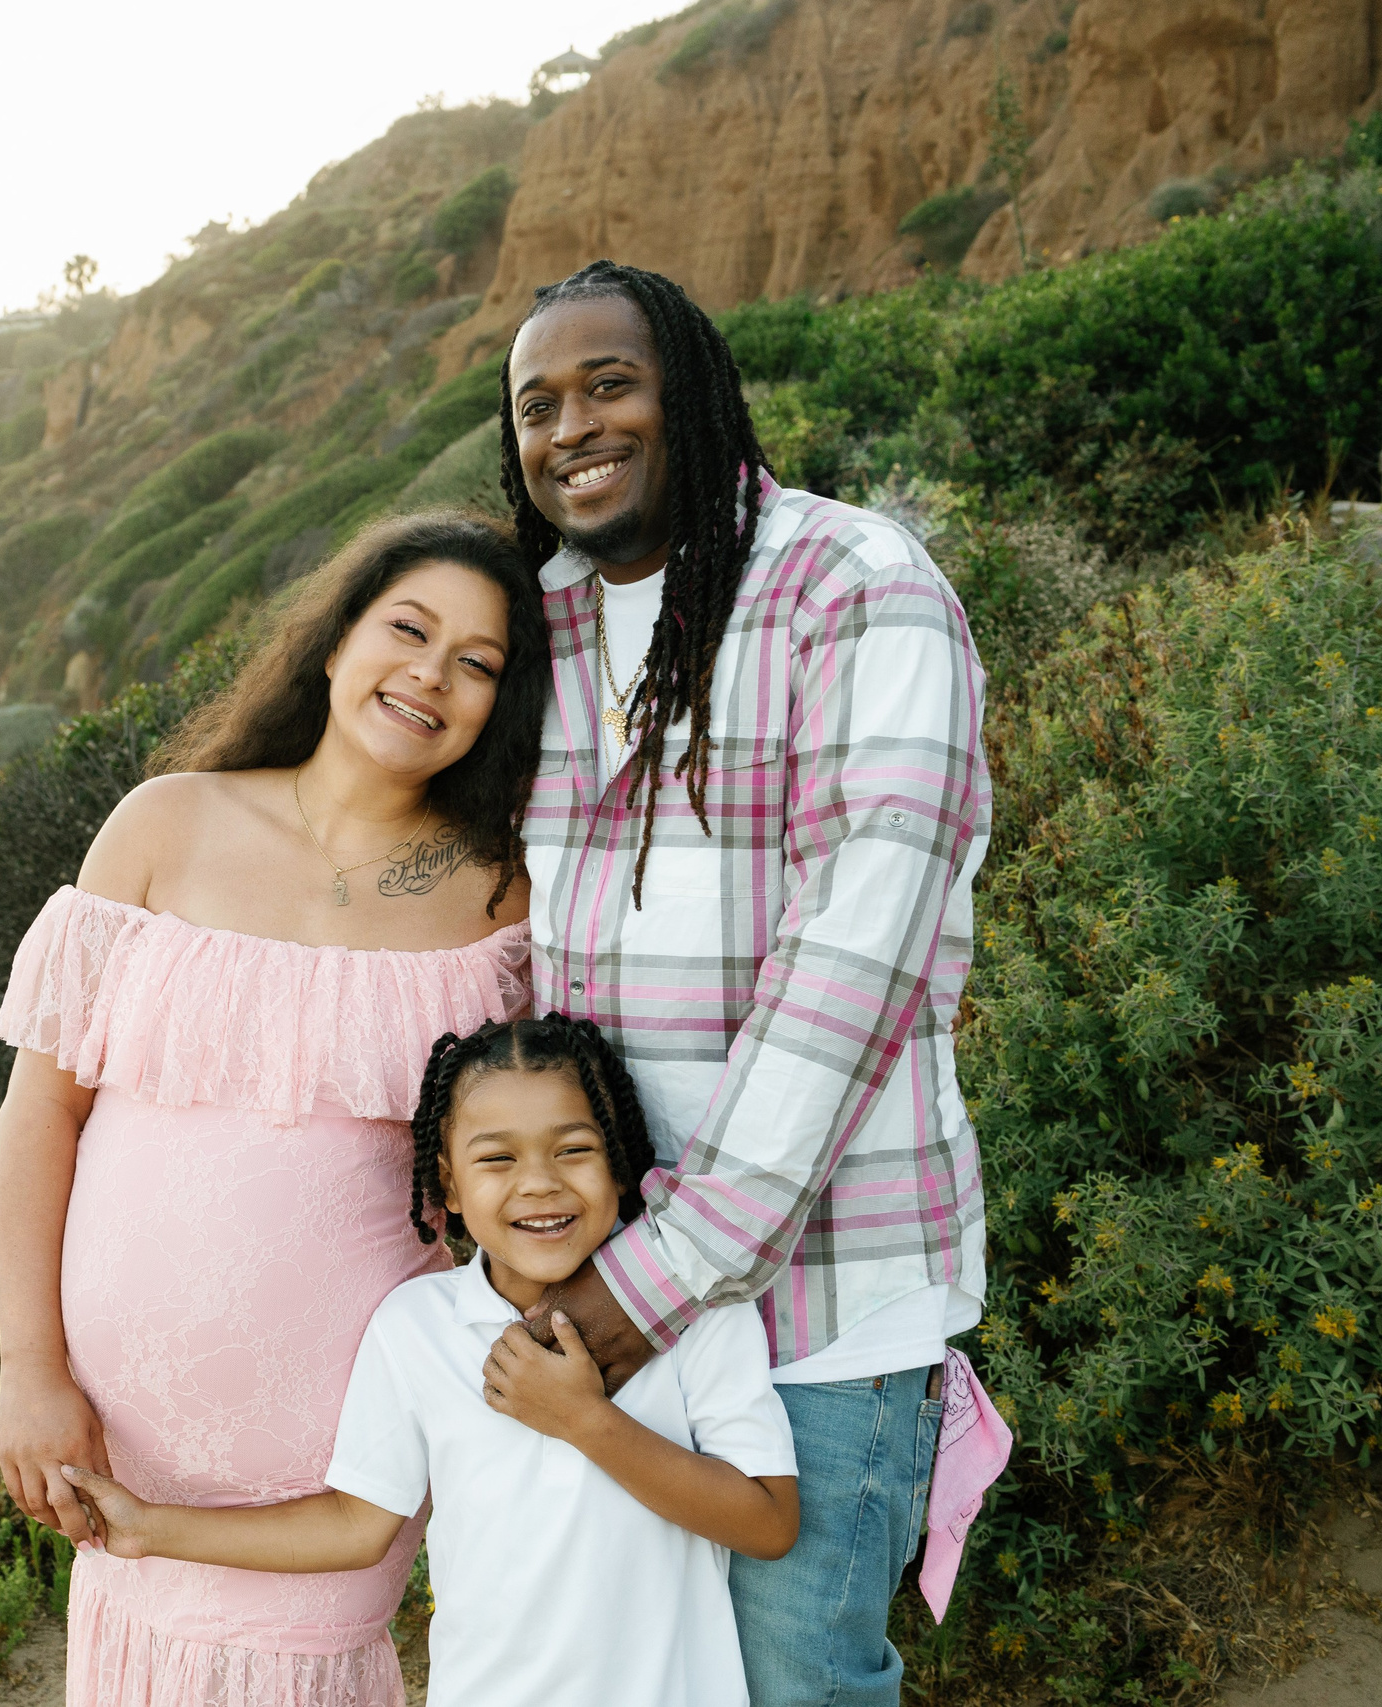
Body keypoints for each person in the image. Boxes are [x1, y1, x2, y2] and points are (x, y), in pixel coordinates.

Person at [494, 259, 993, 1705]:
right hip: (588, 1282)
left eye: (608, 383)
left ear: (693, 393)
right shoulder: (537, 623)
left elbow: (856, 960)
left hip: (825, 1309)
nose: (570, 426)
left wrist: (642, 1284)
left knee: (797, 1687)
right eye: (536, 404)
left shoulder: (855, 582)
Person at [0, 510, 544, 1706]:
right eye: (408, 628)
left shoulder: (500, 897)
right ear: (337, 640)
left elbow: (526, 1160)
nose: (430, 675)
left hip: (341, 1448)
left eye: (478, 664)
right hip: (116, 1433)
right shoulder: (163, 825)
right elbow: (42, 1112)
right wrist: (30, 1367)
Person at [59, 1014, 799, 1707]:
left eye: (573, 1148)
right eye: (497, 1158)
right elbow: (356, 1523)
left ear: (621, 1160)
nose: (539, 1181)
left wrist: (585, 1421)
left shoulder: (699, 1317)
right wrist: (152, 1527)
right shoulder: (416, 1327)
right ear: (446, 1181)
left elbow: (769, 1522)